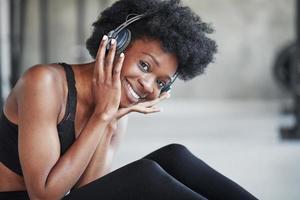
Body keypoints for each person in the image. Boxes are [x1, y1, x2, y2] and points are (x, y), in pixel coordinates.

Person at [0, 0, 258, 199]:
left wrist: (109, 119)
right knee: (145, 175)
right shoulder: (44, 82)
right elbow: (44, 195)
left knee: (175, 156)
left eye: (160, 82)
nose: (147, 86)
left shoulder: (115, 105)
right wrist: (102, 115)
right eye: (145, 65)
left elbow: (90, 190)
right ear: (116, 43)